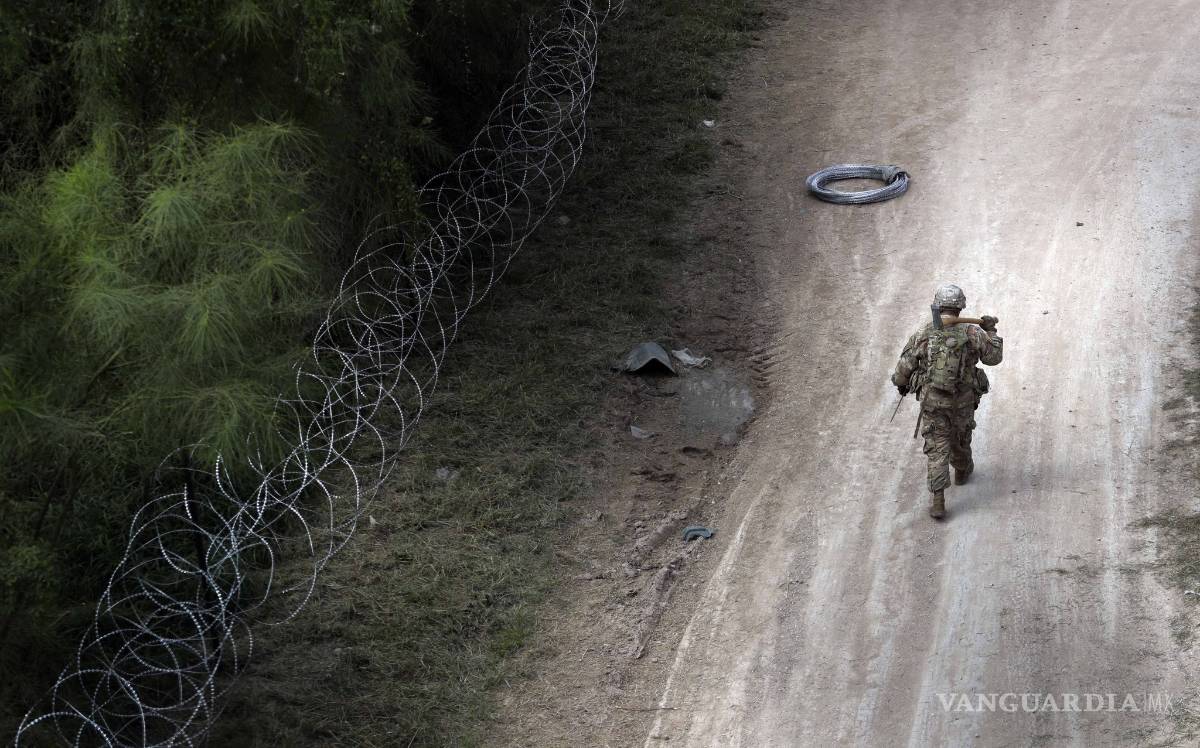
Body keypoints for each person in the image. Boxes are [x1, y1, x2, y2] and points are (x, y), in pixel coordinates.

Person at [891, 283, 1002, 519]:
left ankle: (938, 500)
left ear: (937, 306)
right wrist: (991, 331)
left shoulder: (925, 332)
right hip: (963, 401)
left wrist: (900, 382)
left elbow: (903, 369)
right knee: (960, 437)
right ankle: (962, 470)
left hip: (934, 403)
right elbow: (993, 358)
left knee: (937, 446)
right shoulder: (972, 332)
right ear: (960, 308)